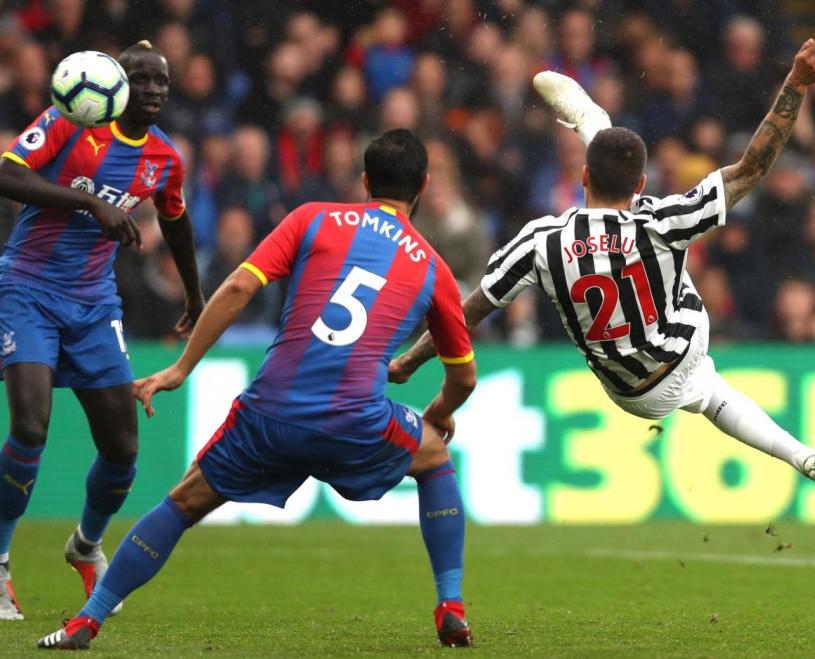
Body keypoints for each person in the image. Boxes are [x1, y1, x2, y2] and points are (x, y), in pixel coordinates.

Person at [391, 35, 815, 504]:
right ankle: (802, 456)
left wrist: (407, 363)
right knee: (679, 270)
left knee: (706, 384)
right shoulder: (659, 219)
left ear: (582, 176)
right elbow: (751, 168)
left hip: (627, 387)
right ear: (642, 182)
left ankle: (593, 126)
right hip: (683, 340)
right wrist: (796, 84)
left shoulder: (540, 240)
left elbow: (468, 311)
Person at [38, 129, 478, 650]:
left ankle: (87, 621)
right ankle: (450, 606)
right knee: (432, 456)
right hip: (355, 421)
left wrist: (180, 368)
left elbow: (242, 286)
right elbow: (464, 377)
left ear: (364, 180)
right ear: (424, 186)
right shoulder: (433, 266)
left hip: (271, 413)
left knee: (183, 501)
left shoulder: (311, 217)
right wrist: (439, 411)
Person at [0, 41, 204, 621]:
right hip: (27, 288)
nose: (154, 90)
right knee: (31, 427)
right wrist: (89, 204)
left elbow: (177, 220)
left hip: (93, 304)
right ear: (115, 82)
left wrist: (194, 294)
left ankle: (85, 545)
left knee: (122, 449)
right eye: (141, 80)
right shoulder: (72, 122)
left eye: (162, 81)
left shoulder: (164, 158)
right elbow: (6, 174)